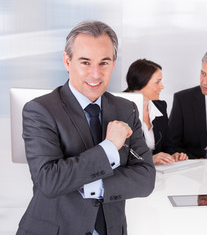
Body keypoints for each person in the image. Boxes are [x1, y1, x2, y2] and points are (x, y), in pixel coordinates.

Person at [16, 21, 155, 235]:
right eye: (85, 62)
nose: (95, 74)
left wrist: (92, 186)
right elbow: (50, 181)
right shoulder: (40, 110)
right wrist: (109, 148)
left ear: (113, 64)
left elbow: (146, 178)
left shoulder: (126, 109)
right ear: (67, 60)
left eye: (104, 63)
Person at [124, 59, 188, 165]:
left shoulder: (160, 107)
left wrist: (174, 155)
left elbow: (168, 145)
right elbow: (119, 155)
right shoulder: (119, 109)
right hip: (132, 175)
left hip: (159, 173)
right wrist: (150, 159)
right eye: (157, 82)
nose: (162, 86)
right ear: (141, 82)